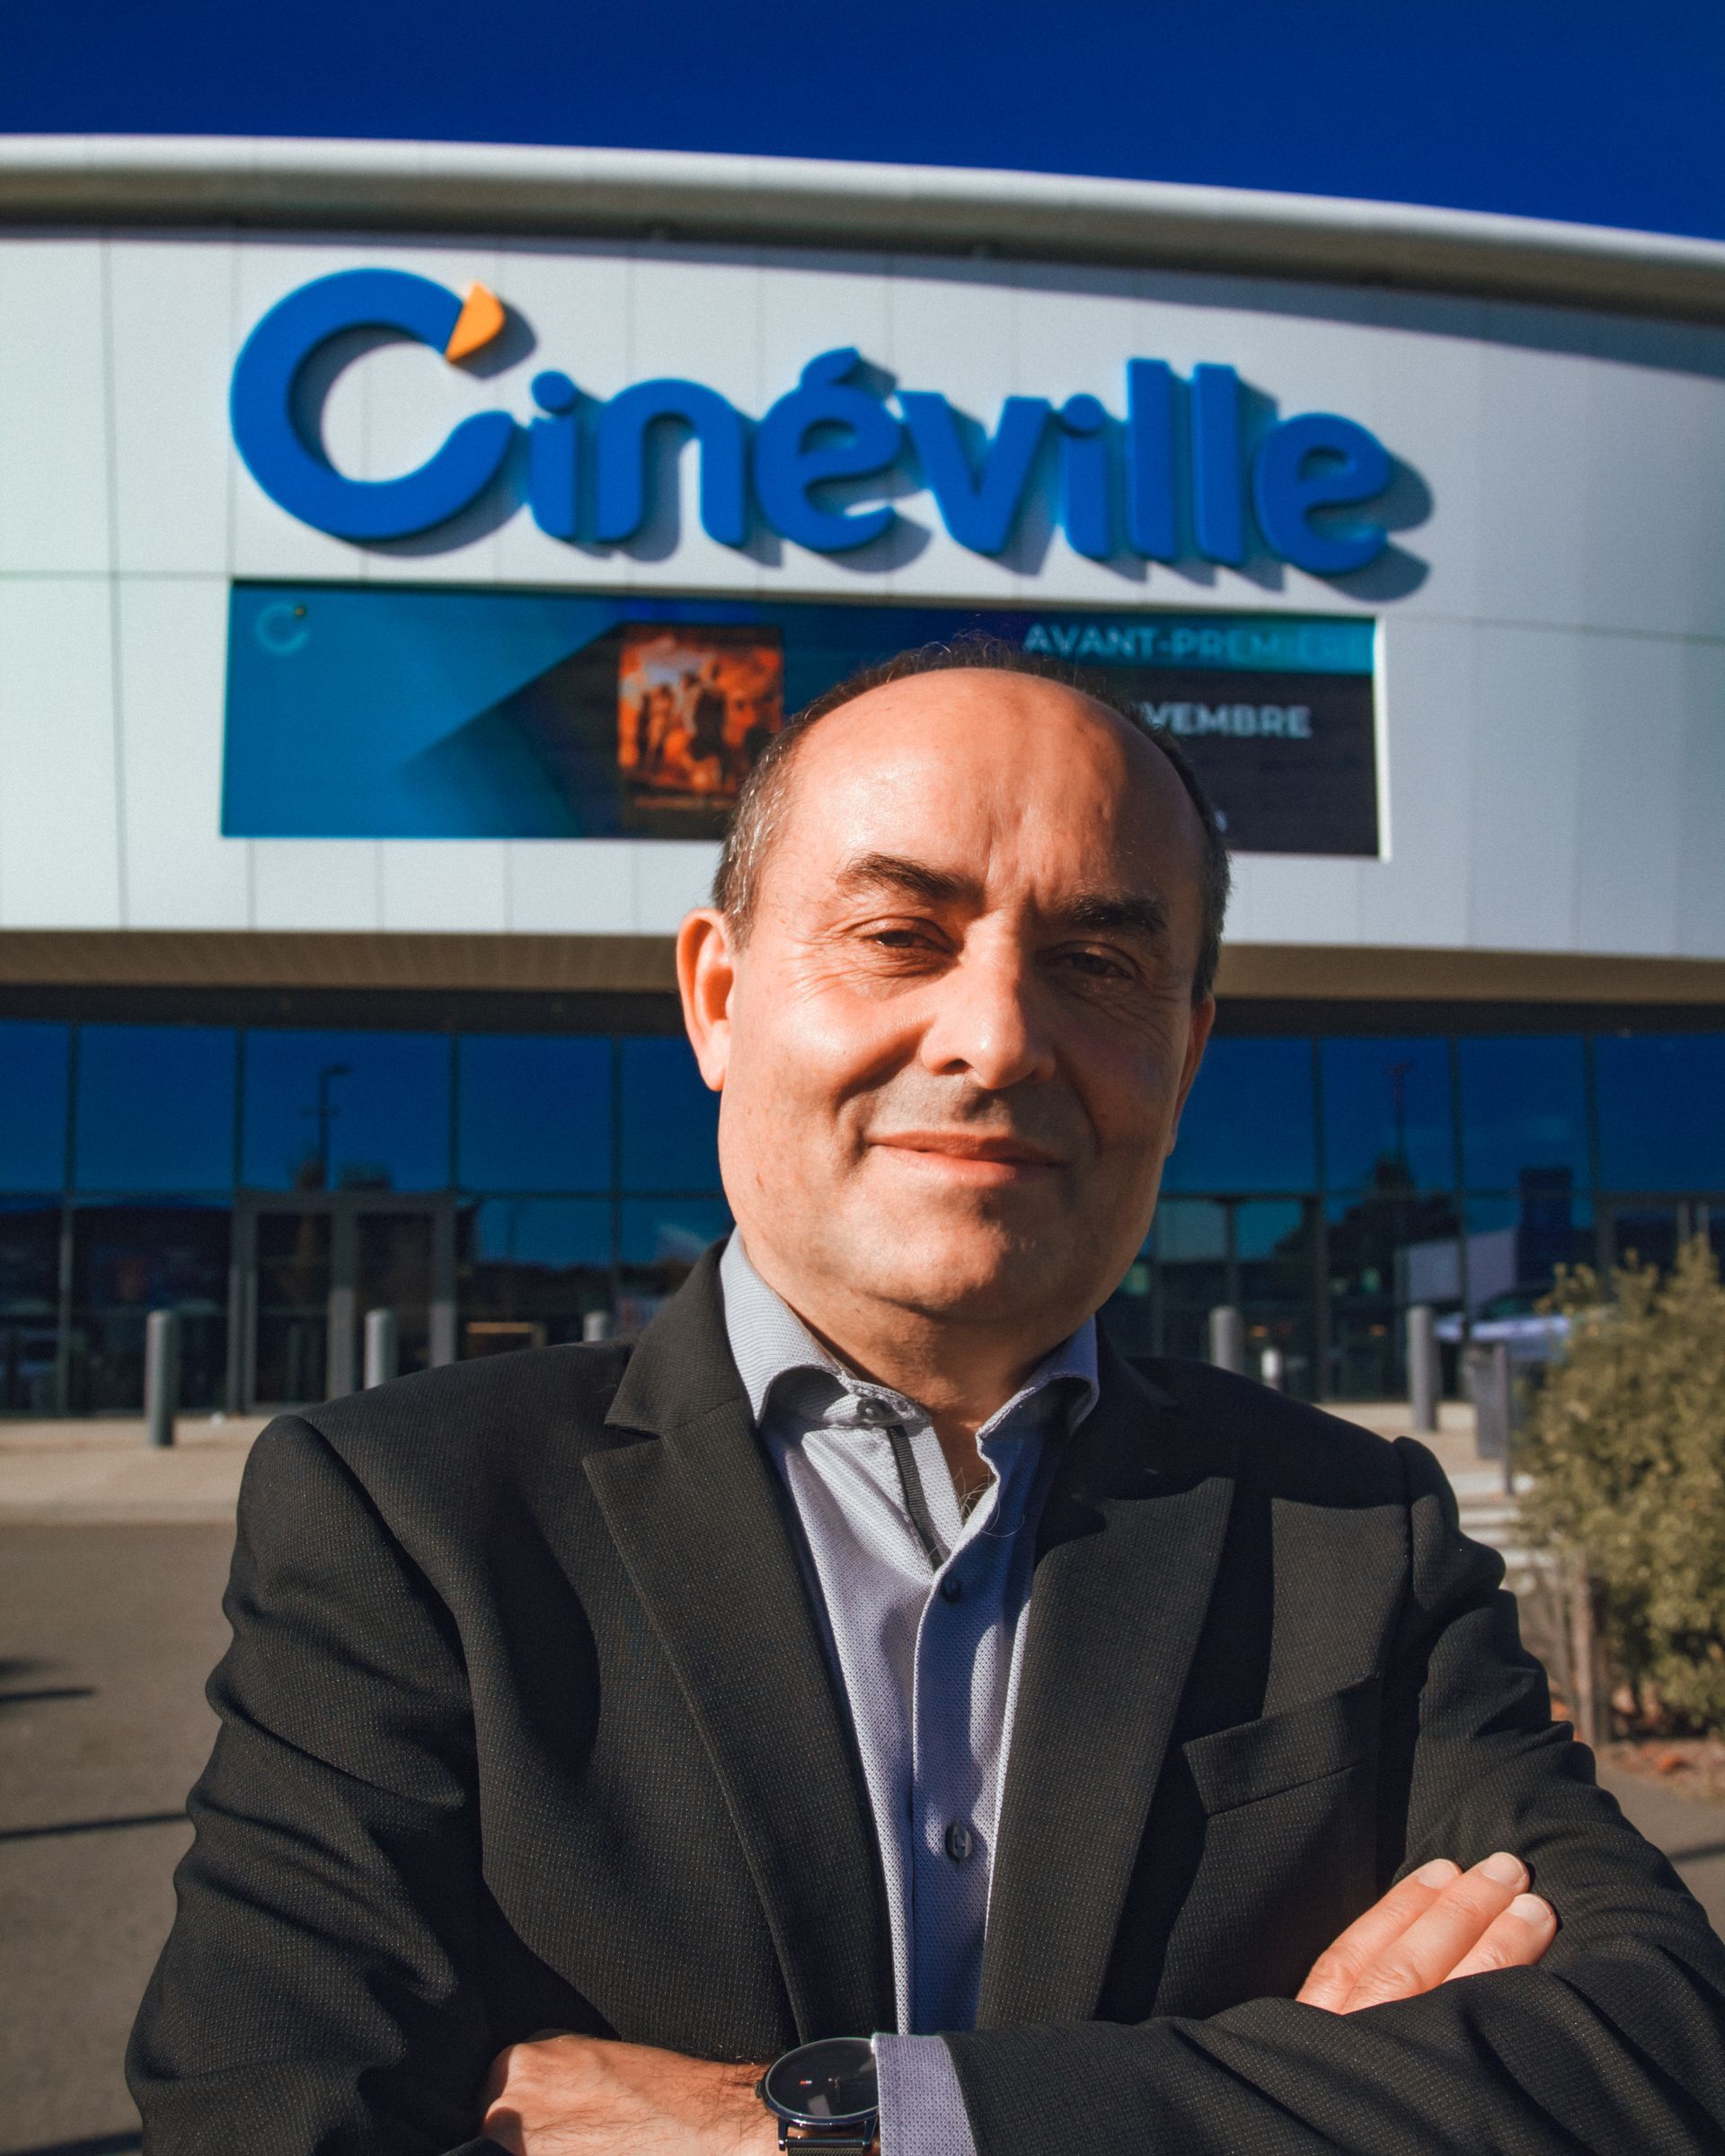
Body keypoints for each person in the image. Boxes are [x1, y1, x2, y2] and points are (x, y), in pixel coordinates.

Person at [129, 642, 1725, 2154]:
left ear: (1185, 1052)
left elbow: (1651, 2051)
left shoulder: (1358, 1534)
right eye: (900, 935)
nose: (995, 1036)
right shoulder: (409, 1520)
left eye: (1098, 961)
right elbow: (269, 2117)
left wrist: (836, 2122)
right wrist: (1310, 2095)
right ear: (717, 997)